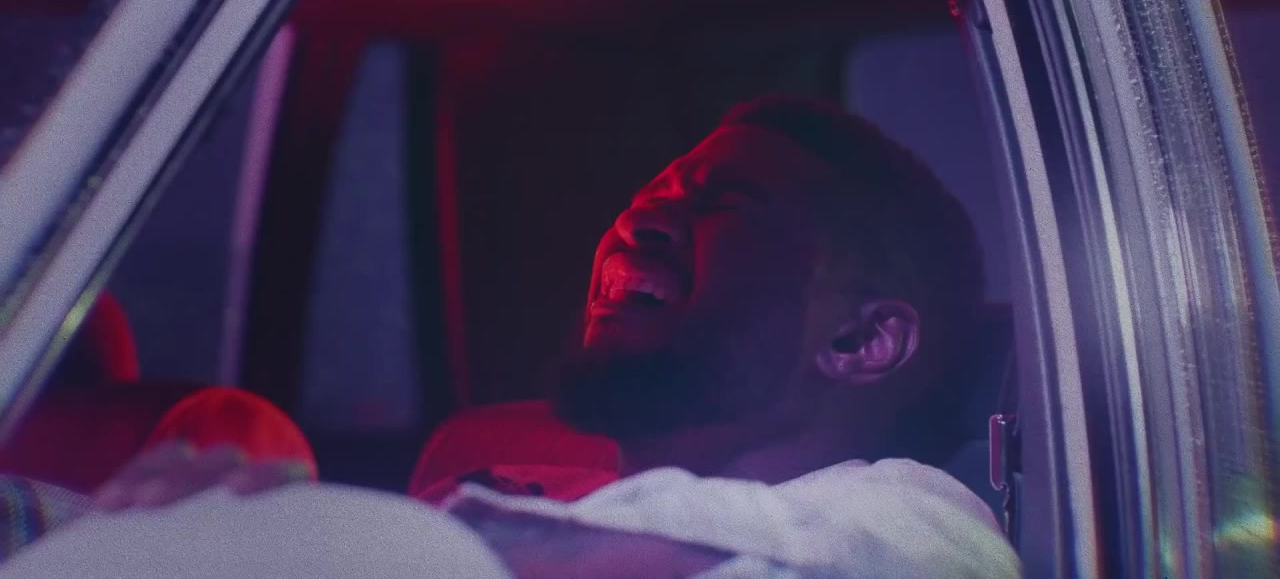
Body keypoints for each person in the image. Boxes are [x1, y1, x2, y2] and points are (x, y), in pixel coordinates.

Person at [1, 98, 1020, 578]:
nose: (638, 219)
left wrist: (271, 537)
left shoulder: (914, 525)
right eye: (652, 192)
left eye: (721, 204)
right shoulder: (557, 512)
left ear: (862, 340)